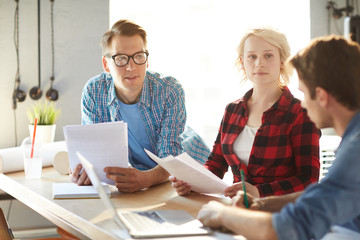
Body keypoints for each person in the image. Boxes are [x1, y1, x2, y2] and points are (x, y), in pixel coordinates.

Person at [197, 35, 360, 240]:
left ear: (321, 96)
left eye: (305, 94)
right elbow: (326, 194)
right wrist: (263, 204)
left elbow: (288, 229)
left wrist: (223, 214)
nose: (304, 104)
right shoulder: (353, 138)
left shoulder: (356, 151)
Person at [170, 27, 320, 198]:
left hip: (282, 211)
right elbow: (216, 164)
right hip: (239, 207)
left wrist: (259, 192)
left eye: (268, 55)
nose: (259, 63)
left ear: (282, 61)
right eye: (252, 56)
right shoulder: (232, 110)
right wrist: (191, 182)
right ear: (243, 62)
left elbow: (309, 179)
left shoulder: (302, 113)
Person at [71, 19, 210, 193]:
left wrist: (145, 179)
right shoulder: (94, 91)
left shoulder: (170, 90)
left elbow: (171, 158)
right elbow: (95, 153)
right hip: (143, 174)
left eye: (138, 57)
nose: (131, 67)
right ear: (106, 65)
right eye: (121, 58)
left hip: (189, 172)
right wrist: (86, 172)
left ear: (147, 60)